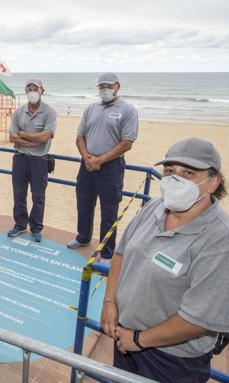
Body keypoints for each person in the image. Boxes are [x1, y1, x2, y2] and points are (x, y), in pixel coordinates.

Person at [100, 138, 229, 383]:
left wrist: (139, 339)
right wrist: (110, 302)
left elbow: (198, 319)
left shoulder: (225, 243)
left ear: (213, 182)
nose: (175, 180)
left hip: (172, 358)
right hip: (128, 335)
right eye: (169, 171)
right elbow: (122, 253)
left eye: (188, 173)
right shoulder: (154, 208)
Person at [67, 72, 138, 267]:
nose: (105, 90)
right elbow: (80, 137)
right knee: (84, 203)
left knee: (109, 211)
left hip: (111, 167)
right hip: (87, 164)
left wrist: (101, 159)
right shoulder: (91, 108)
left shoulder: (128, 110)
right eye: (101, 87)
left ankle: (106, 253)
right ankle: (83, 237)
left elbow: (127, 143)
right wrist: (87, 158)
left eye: (109, 86)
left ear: (117, 87)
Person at [7, 79, 57, 243]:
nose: (32, 91)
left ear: (42, 90)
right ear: (26, 91)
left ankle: (36, 228)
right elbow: (11, 136)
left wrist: (23, 135)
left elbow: (45, 137)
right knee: (18, 194)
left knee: (38, 196)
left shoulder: (49, 112)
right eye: (29, 88)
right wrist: (33, 141)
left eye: (35, 88)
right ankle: (20, 225)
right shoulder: (19, 111)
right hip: (20, 159)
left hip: (39, 161)